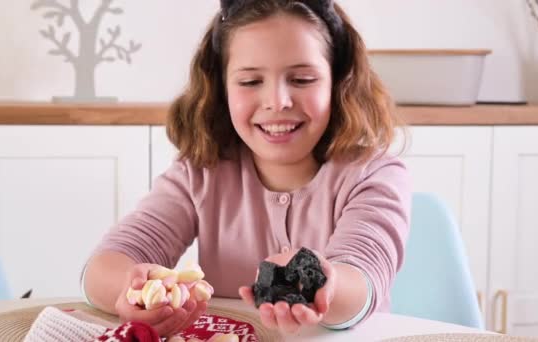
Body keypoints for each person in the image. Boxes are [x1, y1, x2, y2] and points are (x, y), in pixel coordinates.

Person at [82, 0, 411, 337]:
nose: (277, 101)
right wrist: (135, 287)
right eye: (251, 82)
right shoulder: (200, 173)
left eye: (302, 79)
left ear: (337, 81)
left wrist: (316, 280)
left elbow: (364, 278)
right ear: (221, 88)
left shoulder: (374, 174)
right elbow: (103, 267)